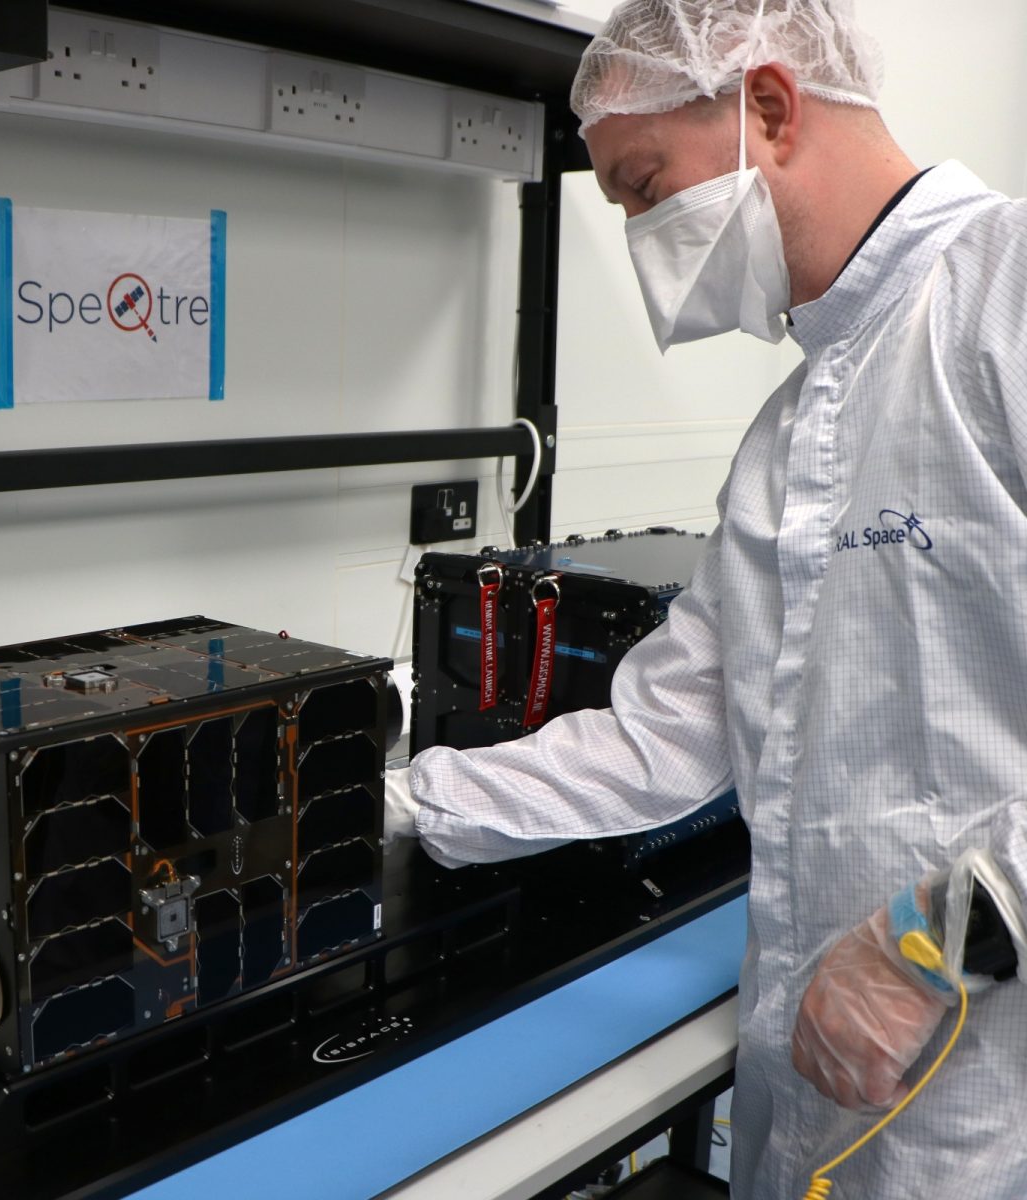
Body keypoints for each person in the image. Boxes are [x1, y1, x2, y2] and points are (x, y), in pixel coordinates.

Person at [383, 1, 1027, 1197]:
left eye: (642, 183)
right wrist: (398, 808)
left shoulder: (1005, 297)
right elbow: (664, 736)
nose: (638, 232)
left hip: (995, 1099)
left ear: (769, 108)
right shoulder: (790, 440)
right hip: (828, 1104)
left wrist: (941, 937)